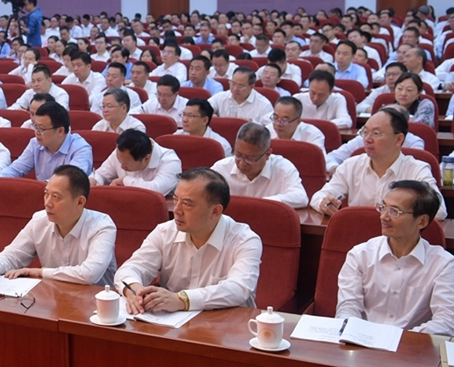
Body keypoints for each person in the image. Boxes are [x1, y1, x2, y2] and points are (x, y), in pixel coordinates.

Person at [115, 167, 262, 313]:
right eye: (175, 200)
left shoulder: (245, 240)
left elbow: (239, 288)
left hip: (226, 322)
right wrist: (135, 291)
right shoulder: (165, 232)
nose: (176, 210)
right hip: (172, 322)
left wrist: (181, 300)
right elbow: (131, 268)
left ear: (215, 211)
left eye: (187, 204)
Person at [337, 180, 454, 336]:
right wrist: (354, 334)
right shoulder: (360, 255)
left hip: (412, 346)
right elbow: (348, 308)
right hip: (361, 341)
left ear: (422, 221)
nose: (383, 217)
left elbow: (445, 320)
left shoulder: (443, 264)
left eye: (394, 211)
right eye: (383, 207)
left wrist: (400, 340)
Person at [0, 165, 117, 286]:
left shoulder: (102, 226)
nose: (47, 203)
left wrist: (40, 272)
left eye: (56, 197)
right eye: (46, 194)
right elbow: (13, 255)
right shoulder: (39, 220)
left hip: (96, 303)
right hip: (53, 297)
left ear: (80, 202)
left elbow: (90, 274)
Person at [311, 107, 447, 220]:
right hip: (358, 237)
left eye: (376, 133)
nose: (367, 139)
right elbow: (318, 197)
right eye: (365, 132)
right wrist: (324, 203)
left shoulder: (416, 170)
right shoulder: (351, 165)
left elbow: (439, 211)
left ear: (399, 139)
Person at [211, 122, 308, 208]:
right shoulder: (221, 168)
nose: (242, 163)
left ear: (267, 154)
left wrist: (262, 203)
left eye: (250, 158)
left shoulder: (283, 169)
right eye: (238, 155)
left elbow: (301, 198)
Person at [0, 102, 92, 181]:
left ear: (60, 131)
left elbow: (68, 181)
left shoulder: (80, 149)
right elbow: (16, 169)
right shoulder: (35, 143)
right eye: (35, 127)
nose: (37, 132)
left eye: (42, 129)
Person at [90, 129, 181, 195]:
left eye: (126, 164)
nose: (121, 166)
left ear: (146, 159)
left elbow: (155, 190)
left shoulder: (170, 161)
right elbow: (101, 174)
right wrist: (95, 180)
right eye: (119, 161)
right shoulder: (122, 153)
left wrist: (125, 180)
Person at [208, 66, 273, 123]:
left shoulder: (264, 105)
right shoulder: (221, 97)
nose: (235, 89)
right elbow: (204, 108)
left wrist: (252, 124)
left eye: (240, 86)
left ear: (251, 87)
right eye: (233, 83)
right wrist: (209, 115)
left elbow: (269, 128)